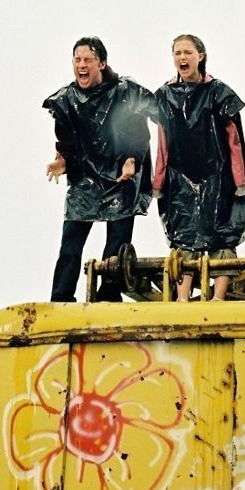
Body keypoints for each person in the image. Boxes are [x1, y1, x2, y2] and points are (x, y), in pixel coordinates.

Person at [43, 35, 158, 302]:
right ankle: (61, 298)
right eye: (77, 59)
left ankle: (108, 294)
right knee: (70, 243)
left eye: (88, 60)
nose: (82, 65)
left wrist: (132, 160)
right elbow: (66, 141)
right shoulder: (65, 100)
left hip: (120, 173)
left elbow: (139, 133)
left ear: (102, 63)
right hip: (85, 177)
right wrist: (63, 162)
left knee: (116, 246)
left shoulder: (124, 92)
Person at [153, 34, 245, 301]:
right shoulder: (164, 95)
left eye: (187, 52)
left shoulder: (219, 92)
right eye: (177, 53)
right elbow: (162, 142)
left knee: (222, 234)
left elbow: (235, 142)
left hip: (219, 175)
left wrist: (239, 181)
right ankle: (183, 299)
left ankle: (218, 297)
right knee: (184, 235)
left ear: (201, 56)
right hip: (179, 175)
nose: (182, 58)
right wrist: (158, 182)